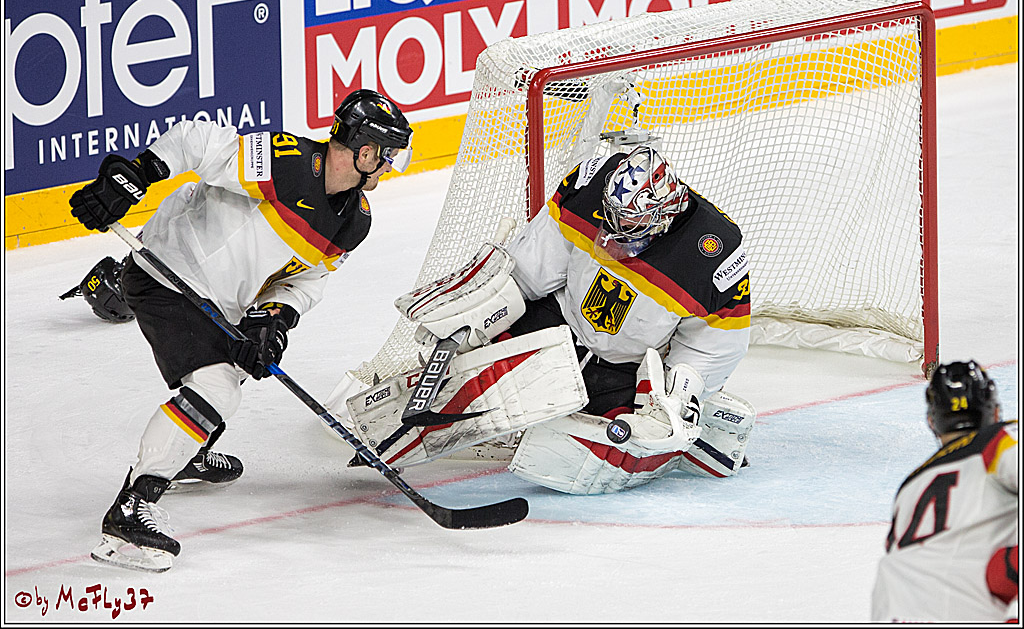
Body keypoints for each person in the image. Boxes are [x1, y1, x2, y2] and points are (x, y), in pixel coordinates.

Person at [69, 89, 413, 572]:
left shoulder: (354, 221)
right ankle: (130, 508)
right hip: (169, 271)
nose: (390, 165)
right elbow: (196, 142)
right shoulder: (286, 161)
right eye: (386, 154)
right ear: (363, 150)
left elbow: (307, 278)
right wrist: (138, 174)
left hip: (220, 300)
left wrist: (274, 317)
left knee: (234, 369)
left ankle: (183, 453)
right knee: (216, 387)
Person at [342, 143, 754, 494]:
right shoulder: (590, 187)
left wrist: (677, 398)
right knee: (477, 375)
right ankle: (382, 434)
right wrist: (478, 318)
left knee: (601, 450)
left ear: (664, 217)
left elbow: (712, 344)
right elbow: (529, 269)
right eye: (608, 224)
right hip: (558, 323)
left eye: (626, 231)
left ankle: (695, 435)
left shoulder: (713, 251)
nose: (610, 240)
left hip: (624, 369)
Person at [871, 360, 1019, 622]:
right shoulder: (999, 440)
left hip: (891, 611)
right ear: (995, 413)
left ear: (932, 422)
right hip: (963, 610)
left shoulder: (910, 486)